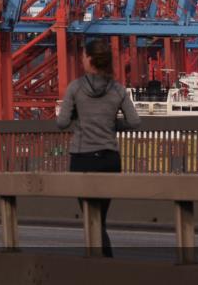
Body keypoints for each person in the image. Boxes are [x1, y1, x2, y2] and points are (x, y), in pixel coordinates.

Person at [56, 38, 141, 258]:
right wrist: (111, 124)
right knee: (99, 218)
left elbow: (62, 122)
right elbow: (134, 122)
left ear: (90, 59)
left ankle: (102, 264)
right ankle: (102, 263)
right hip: (109, 159)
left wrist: (80, 118)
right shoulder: (118, 89)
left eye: (84, 55)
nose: (82, 59)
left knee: (90, 218)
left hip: (82, 158)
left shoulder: (75, 88)